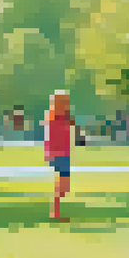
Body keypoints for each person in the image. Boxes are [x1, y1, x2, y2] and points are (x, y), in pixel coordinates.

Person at [45, 90, 74, 221]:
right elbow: (49, 137)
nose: (67, 103)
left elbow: (70, 132)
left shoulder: (66, 117)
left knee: (65, 186)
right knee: (62, 184)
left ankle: (56, 209)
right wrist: (49, 152)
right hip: (58, 153)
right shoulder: (52, 117)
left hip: (65, 152)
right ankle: (56, 212)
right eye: (64, 101)